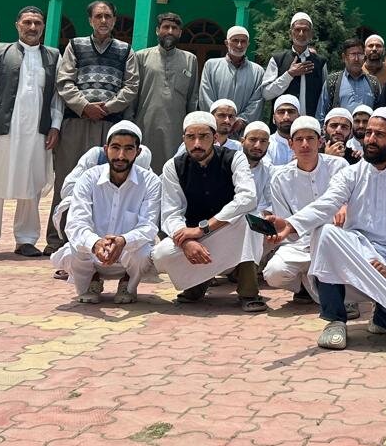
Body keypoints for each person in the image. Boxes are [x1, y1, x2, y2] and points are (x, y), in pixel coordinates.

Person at [268, 108, 386, 350]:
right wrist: (291, 224)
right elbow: (327, 204)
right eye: (368, 133)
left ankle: (382, 316)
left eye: (379, 135)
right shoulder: (351, 173)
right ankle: (335, 320)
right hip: (357, 252)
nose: (370, 139)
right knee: (325, 233)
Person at [48, 0, 139, 253]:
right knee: (67, 179)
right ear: (90, 20)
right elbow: (64, 81)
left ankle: (96, 238)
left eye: (108, 16)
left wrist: (108, 107)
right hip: (77, 122)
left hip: (108, 127)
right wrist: (84, 105)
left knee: (103, 182)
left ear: (114, 20)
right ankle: (57, 239)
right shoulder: (75, 46)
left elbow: (131, 86)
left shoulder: (125, 50)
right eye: (98, 16)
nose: (103, 21)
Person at [0, 6, 62, 259]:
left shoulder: (53, 56)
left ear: (43, 27)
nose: (32, 27)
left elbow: (57, 96)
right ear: (17, 25)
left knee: (32, 184)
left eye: (37, 23)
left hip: (37, 133)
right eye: (27, 22)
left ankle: (26, 239)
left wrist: (55, 125)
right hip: (3, 132)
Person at [152, 111, 265, 311]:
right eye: (191, 137)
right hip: (194, 237)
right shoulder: (174, 166)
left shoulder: (234, 158)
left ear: (215, 138)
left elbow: (248, 198)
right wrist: (186, 241)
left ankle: (249, 292)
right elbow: (171, 213)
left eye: (203, 136)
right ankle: (196, 283)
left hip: (229, 231)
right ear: (183, 139)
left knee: (249, 221)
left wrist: (203, 228)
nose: (197, 143)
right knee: (161, 254)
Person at [55, 121, 159, 305]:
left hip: (128, 252)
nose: (121, 156)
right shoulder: (89, 178)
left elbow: (148, 226)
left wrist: (123, 241)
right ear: (106, 149)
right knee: (73, 249)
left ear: (138, 152)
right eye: (115, 147)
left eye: (128, 149)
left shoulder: (150, 182)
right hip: (94, 253)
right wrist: (95, 243)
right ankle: (91, 280)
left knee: (145, 251)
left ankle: (128, 283)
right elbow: (76, 223)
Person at [262, 117, 348, 298]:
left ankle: (314, 286)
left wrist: (346, 206)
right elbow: (285, 223)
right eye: (299, 139)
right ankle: (305, 285)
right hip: (299, 245)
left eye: (310, 138)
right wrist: (279, 223)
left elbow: (349, 200)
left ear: (320, 142)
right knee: (274, 273)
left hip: (335, 242)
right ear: (290, 144)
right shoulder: (280, 178)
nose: (305, 144)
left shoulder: (339, 166)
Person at [132, 12, 200, 171]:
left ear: (180, 33)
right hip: (145, 124)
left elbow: (193, 98)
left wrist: (191, 128)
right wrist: (130, 123)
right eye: (166, 27)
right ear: (157, 30)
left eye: (174, 28)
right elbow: (133, 94)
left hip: (176, 128)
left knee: (173, 169)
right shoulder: (141, 57)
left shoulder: (190, 60)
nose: (170, 31)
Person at [262, 11, 326, 118]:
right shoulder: (277, 59)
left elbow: (324, 97)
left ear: (311, 34)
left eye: (305, 30)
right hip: (283, 123)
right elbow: (266, 94)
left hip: (310, 124)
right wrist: (289, 75)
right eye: (297, 30)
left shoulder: (320, 62)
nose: (301, 34)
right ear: (290, 33)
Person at [199, 25, 265, 123]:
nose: (239, 45)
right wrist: (218, 119)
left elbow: (257, 101)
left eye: (243, 41)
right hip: (215, 125)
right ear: (227, 43)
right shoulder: (211, 66)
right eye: (235, 40)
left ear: (248, 44)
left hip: (242, 128)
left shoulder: (258, 71)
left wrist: (241, 121)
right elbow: (205, 96)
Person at [316, 37, 380, 121]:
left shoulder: (373, 82)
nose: (356, 59)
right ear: (344, 57)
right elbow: (320, 114)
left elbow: (379, 113)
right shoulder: (332, 81)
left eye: (360, 54)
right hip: (340, 128)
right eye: (352, 54)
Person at [267, 94, 299, 164]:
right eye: (281, 112)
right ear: (273, 118)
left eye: (291, 112)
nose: (286, 117)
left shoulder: (308, 144)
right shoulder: (266, 144)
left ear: (299, 117)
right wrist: (292, 166)